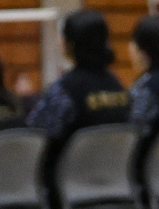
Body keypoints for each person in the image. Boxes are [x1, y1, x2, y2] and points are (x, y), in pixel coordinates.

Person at [27, 9, 131, 151]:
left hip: (70, 165)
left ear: (70, 44)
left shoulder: (65, 90)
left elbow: (33, 136)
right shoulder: (117, 85)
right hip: (115, 165)